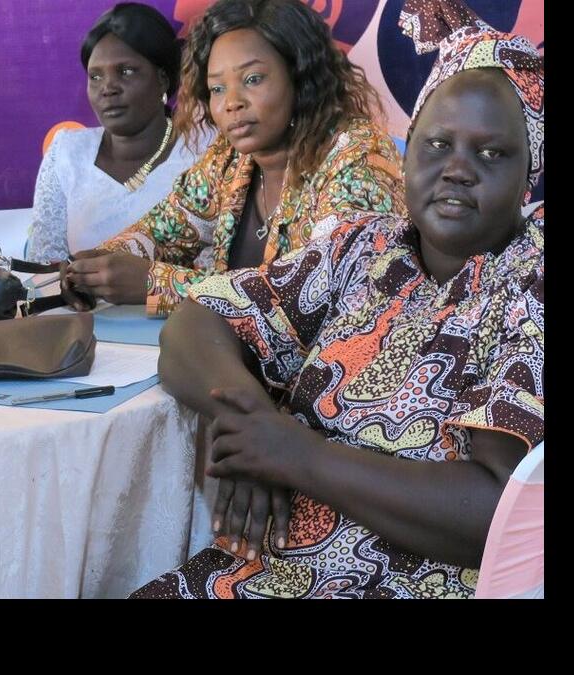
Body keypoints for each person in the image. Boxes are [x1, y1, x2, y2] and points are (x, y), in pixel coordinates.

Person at [132, 0, 544, 598]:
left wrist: (300, 458)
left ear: (529, 175)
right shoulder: (361, 248)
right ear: (409, 150)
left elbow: (502, 513)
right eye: (437, 144)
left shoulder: (529, 286)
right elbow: (197, 322)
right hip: (262, 573)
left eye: (491, 153)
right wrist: (254, 426)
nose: (457, 169)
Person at [63, 0, 404, 317]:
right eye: (217, 89)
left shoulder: (358, 156)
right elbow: (162, 231)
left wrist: (158, 284)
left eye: (252, 79)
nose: (231, 103)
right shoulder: (229, 158)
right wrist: (99, 265)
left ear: (300, 76)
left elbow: (318, 296)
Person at [27, 2, 207, 263]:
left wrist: (147, 281)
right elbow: (43, 267)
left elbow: (220, 267)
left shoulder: (203, 152)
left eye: (126, 71)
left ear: (163, 80)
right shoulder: (66, 153)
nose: (108, 88)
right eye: (95, 77)